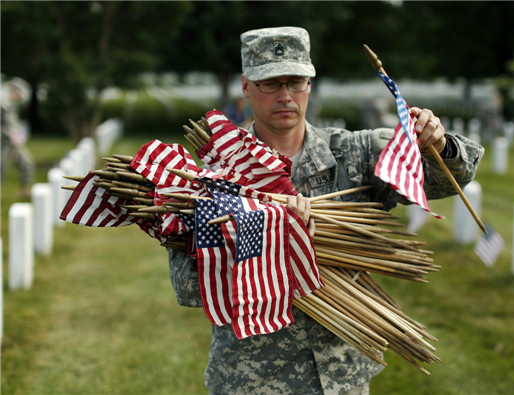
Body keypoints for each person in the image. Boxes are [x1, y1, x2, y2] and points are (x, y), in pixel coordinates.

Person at [168, 26, 484, 394]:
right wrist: (268, 245)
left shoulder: (354, 152)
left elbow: (451, 178)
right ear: (245, 86)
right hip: (252, 379)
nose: (285, 95)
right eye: (270, 83)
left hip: (340, 379)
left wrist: (439, 143)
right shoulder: (213, 177)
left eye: (296, 81)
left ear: (310, 84)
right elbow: (190, 288)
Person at [1, 81, 35, 199]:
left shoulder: (13, 106)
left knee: (27, 161)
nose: (19, 96)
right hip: (2, 144)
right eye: (18, 92)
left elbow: (14, 126)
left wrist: (19, 138)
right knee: (1, 168)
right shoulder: (3, 105)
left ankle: (25, 190)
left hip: (14, 143)